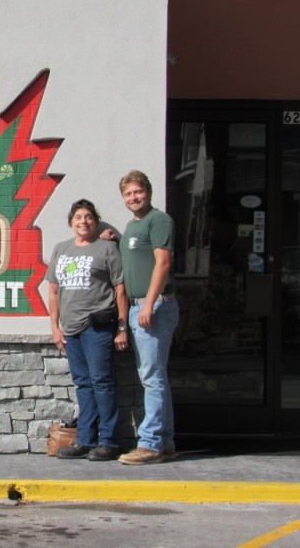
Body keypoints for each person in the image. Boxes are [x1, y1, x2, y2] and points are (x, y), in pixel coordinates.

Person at [46, 199, 129, 461]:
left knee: (102, 383)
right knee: (82, 384)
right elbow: (53, 291)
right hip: (70, 330)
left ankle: (109, 441)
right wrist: (55, 328)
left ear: (96, 220)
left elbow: (120, 289)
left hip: (98, 328)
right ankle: (85, 440)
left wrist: (122, 327)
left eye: (89, 217)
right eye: (78, 217)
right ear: (71, 222)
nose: (84, 221)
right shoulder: (62, 249)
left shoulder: (107, 248)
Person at [116, 170, 180, 465]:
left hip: (152, 307)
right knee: (156, 377)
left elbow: (162, 264)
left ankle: (151, 444)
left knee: (152, 378)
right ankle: (164, 443)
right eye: (128, 194)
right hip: (138, 307)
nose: (133, 198)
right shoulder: (133, 226)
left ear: (148, 192)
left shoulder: (159, 220)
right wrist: (115, 237)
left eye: (137, 192)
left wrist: (147, 305)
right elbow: (136, 253)